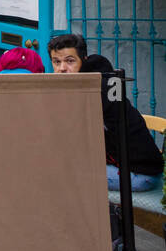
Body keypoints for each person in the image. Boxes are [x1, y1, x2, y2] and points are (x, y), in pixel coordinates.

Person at [48, 34, 164, 191]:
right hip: (122, 164)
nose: (62, 68)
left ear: (84, 59)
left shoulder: (98, 88)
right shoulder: (94, 81)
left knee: (60, 175)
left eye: (70, 61)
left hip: (140, 174)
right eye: (56, 62)